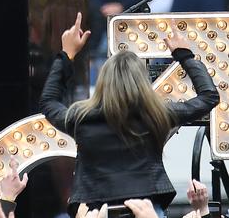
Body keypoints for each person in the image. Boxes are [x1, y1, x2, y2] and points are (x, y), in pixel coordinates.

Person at [39, 13, 220, 216]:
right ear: (142, 83)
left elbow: (48, 102)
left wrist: (66, 54)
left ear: (103, 83)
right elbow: (209, 97)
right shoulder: (156, 115)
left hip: (96, 210)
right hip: (146, 208)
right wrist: (184, 55)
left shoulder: (80, 118)